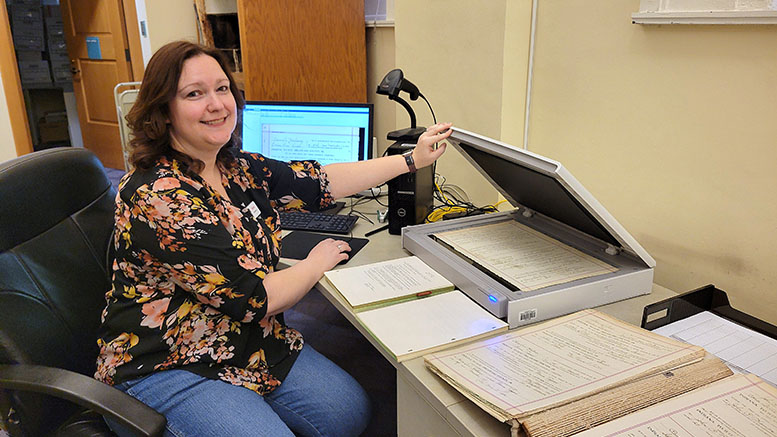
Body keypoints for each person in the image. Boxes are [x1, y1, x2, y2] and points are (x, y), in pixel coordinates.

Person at [94, 40, 453, 437]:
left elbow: (320, 182)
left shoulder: (236, 167)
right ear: (163, 111)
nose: (216, 104)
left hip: (247, 340)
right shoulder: (160, 195)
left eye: (222, 88)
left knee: (349, 413)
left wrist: (410, 160)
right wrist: (316, 262)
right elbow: (254, 299)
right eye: (194, 94)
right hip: (167, 361)